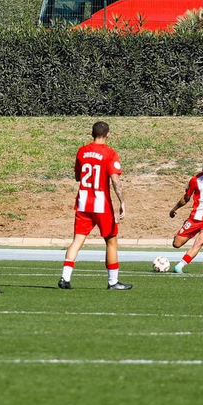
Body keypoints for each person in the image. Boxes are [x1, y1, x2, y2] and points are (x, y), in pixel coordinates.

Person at [61, 121, 132, 290]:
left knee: (77, 240)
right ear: (108, 134)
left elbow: (78, 176)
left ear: (91, 134)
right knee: (111, 241)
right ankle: (113, 281)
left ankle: (65, 278)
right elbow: (115, 180)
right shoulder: (110, 153)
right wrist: (122, 201)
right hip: (101, 202)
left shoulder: (82, 151)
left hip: (83, 201)